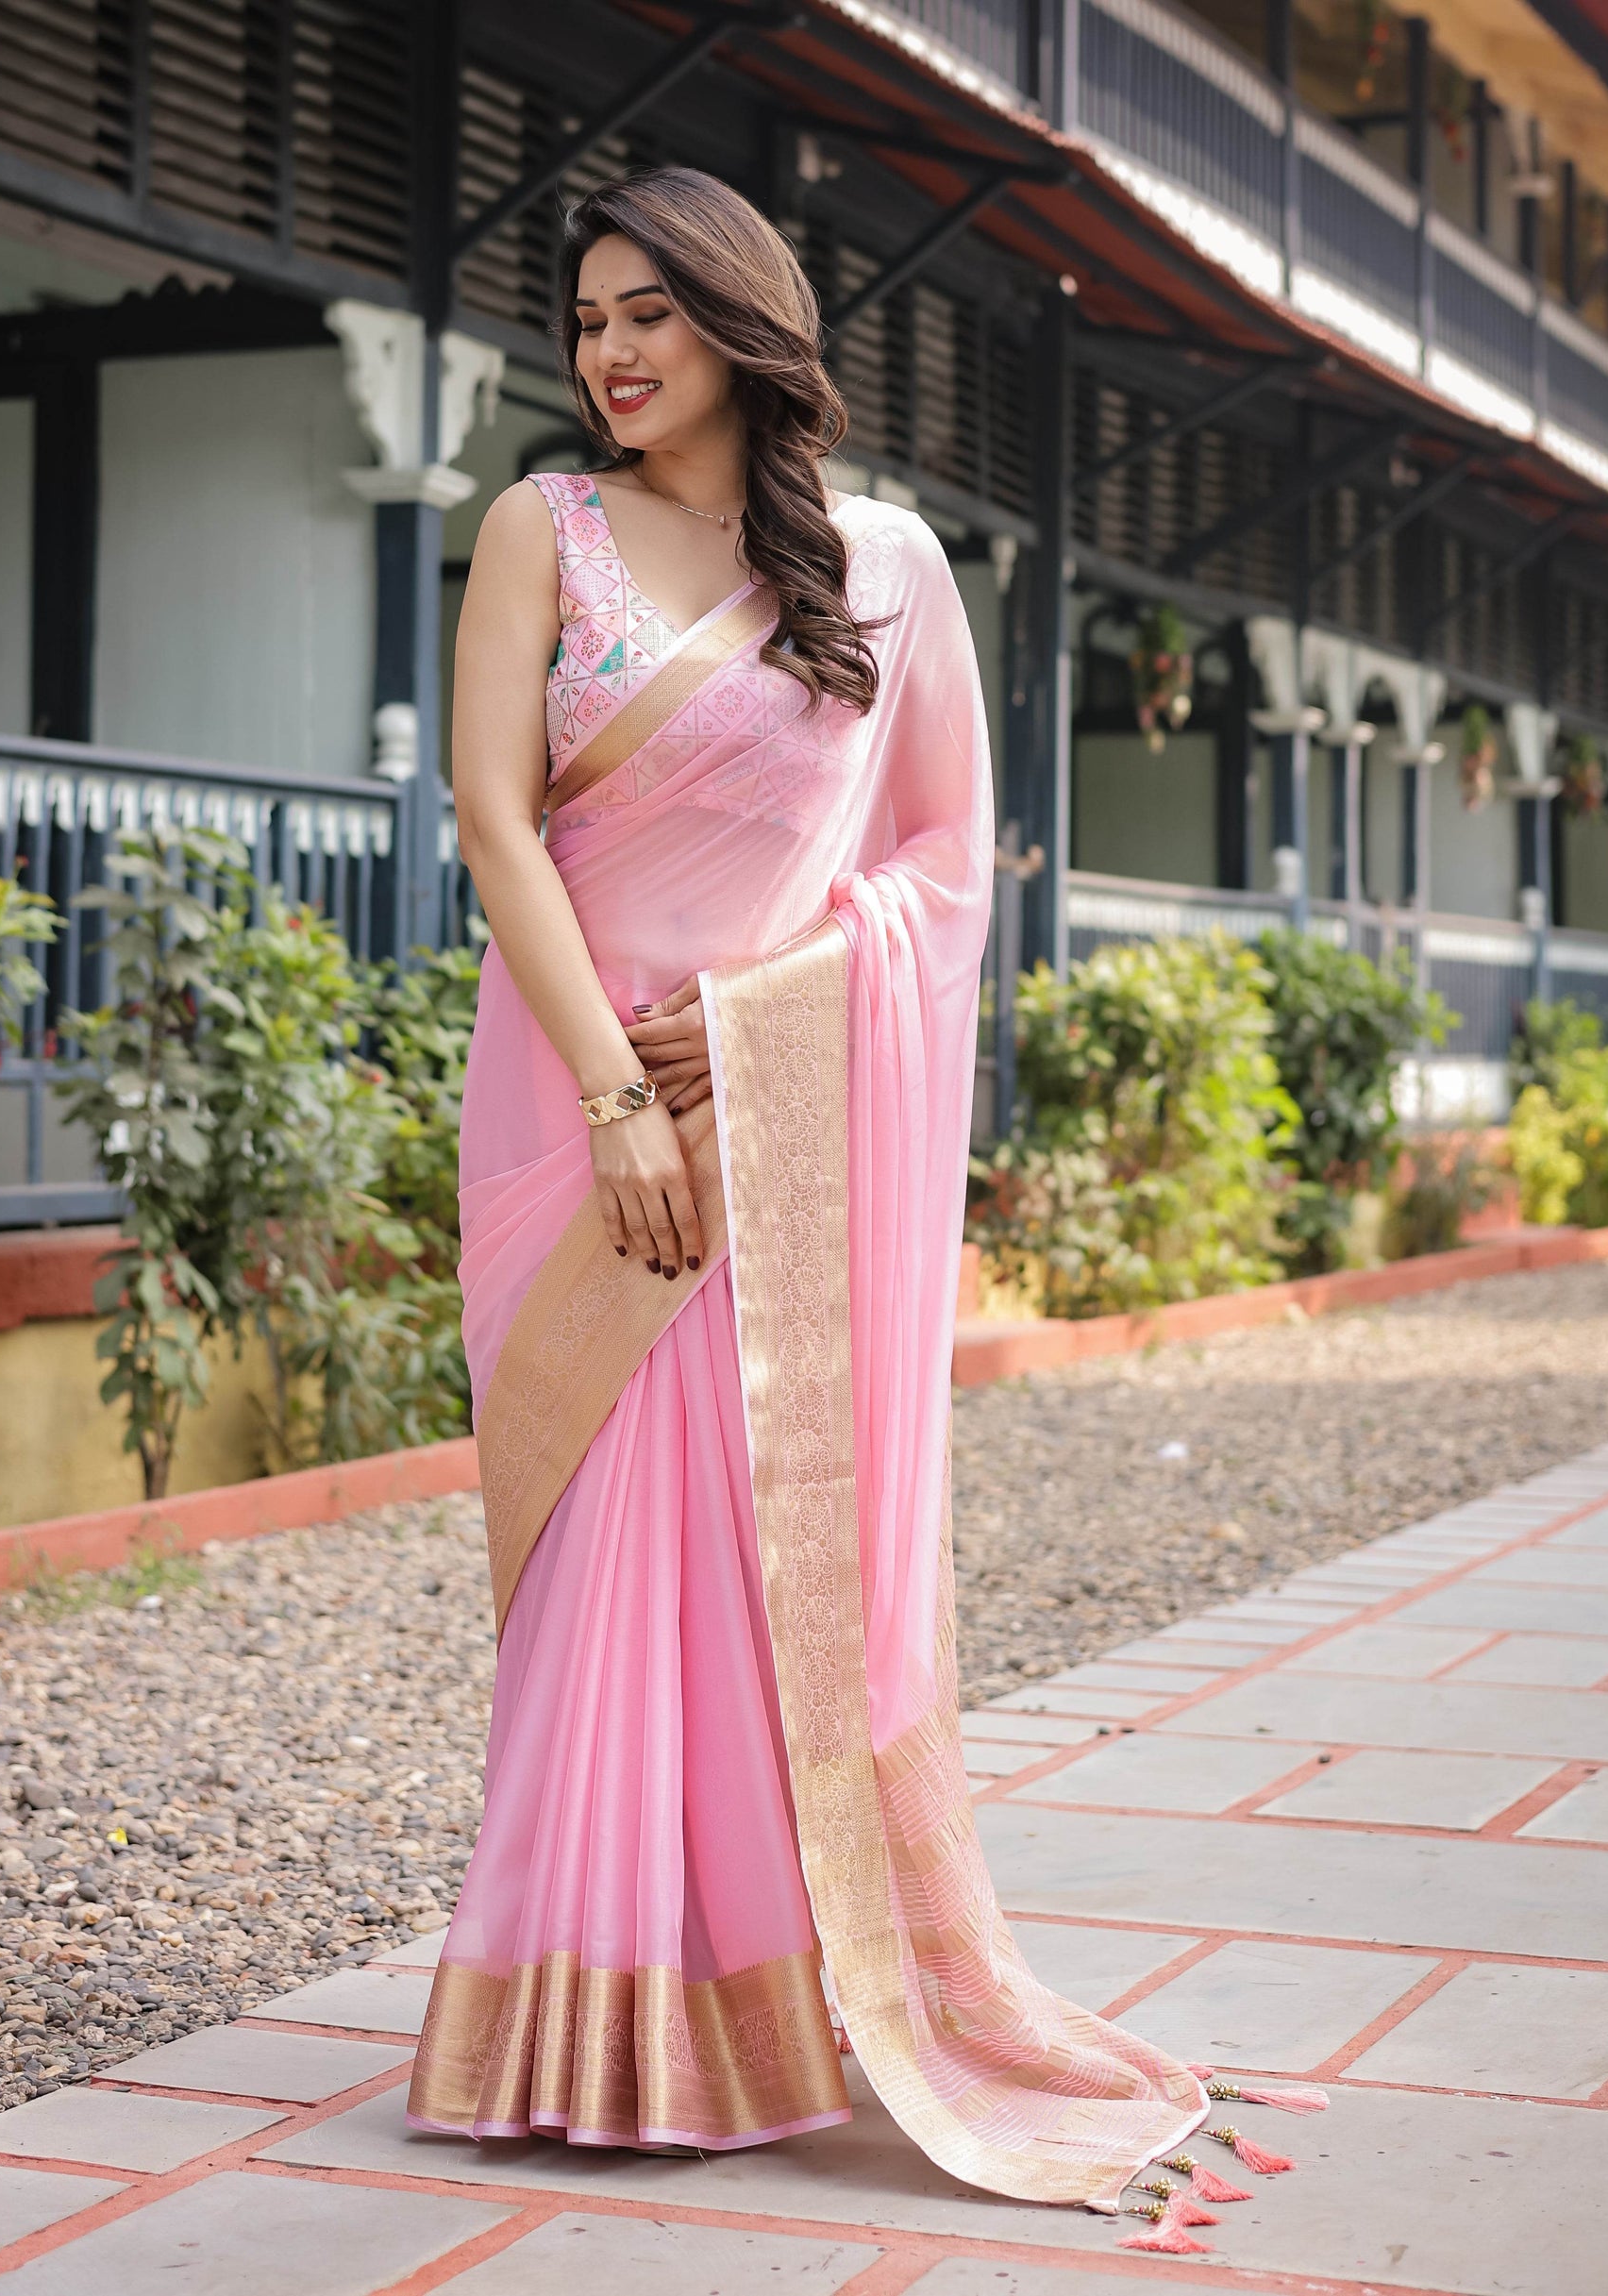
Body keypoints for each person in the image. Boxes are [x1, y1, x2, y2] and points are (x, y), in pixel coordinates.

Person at [406, 165, 1210, 2209]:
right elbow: (493, 816)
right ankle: (571, 2007)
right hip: (569, 1112)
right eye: (586, 316)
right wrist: (617, 1091)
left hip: (777, 1120)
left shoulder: (889, 568)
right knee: (598, 1551)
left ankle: (745, 2006)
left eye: (647, 313)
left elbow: (948, 867)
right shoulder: (541, 529)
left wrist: (759, 1019)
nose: (607, 351)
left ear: (743, 325)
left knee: (745, 1572)